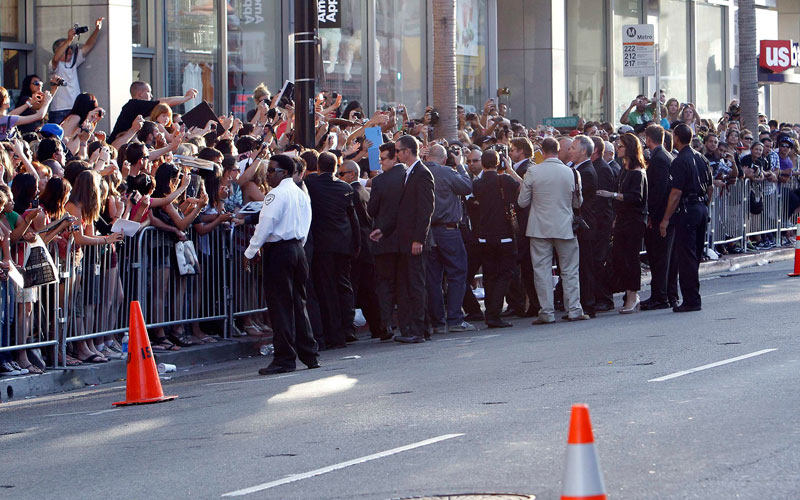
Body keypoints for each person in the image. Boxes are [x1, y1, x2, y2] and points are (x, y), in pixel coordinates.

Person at [244, 154, 320, 375]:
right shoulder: (299, 193)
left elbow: (265, 224)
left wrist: (250, 250)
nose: (267, 175)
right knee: (298, 303)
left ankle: (284, 358)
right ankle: (309, 354)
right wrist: (299, 244)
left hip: (280, 250)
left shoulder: (276, 194)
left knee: (280, 306)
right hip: (297, 248)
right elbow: (306, 222)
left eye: (271, 171)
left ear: (284, 173)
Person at [369, 135, 434, 343]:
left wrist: (419, 239)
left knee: (415, 284)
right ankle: (419, 329)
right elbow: (403, 211)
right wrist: (384, 230)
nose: (395, 155)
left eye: (397, 151)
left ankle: (419, 330)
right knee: (410, 284)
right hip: (405, 239)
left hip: (414, 241)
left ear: (407, 151)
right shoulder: (409, 173)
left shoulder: (421, 173)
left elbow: (425, 210)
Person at [517, 138, 588, 323]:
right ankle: (574, 309)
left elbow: (522, 202)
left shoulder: (532, 171)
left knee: (542, 271)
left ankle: (546, 312)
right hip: (565, 226)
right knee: (570, 270)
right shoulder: (571, 172)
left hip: (539, 227)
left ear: (541, 150)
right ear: (558, 150)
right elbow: (577, 202)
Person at [305, 152, 360, 349]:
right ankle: (348, 329)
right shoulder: (345, 188)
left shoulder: (311, 184)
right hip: (342, 244)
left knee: (327, 289)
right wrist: (356, 245)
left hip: (323, 246)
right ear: (336, 167)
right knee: (344, 287)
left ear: (319, 167)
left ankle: (335, 333)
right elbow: (352, 219)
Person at [659, 123, 712, 312]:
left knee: (687, 257)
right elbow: (710, 187)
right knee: (695, 255)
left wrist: (666, 218)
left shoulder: (680, 161)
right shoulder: (702, 158)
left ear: (676, 138)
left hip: (688, 210)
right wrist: (705, 206)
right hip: (700, 207)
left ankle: (691, 299)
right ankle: (692, 296)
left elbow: (675, 193)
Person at [423, 144, 475, 334]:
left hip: (428, 232)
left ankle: (438, 323)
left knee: (433, 278)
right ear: (445, 159)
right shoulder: (447, 171)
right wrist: (460, 165)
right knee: (457, 274)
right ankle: (454, 319)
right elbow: (467, 186)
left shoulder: (420, 171)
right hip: (448, 230)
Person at [597, 133, 648, 313]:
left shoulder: (637, 172)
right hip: (622, 220)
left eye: (621, 146)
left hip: (634, 220)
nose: (617, 148)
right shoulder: (624, 169)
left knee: (630, 258)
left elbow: (636, 197)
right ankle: (629, 292)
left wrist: (612, 195)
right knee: (619, 258)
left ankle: (632, 295)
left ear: (630, 148)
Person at [337, 160, 385, 340]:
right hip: (367, 247)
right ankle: (378, 326)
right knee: (368, 290)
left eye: (341, 174)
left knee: (354, 289)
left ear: (352, 174)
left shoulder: (353, 193)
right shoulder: (364, 192)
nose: (339, 177)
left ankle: (350, 329)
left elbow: (356, 223)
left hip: (358, 247)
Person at [471, 149, 519, 328]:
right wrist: (510, 170)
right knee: (504, 274)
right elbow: (522, 186)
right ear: (499, 163)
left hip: (484, 236)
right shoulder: (505, 180)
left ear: (482, 164)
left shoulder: (477, 184)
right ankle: (494, 313)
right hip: (504, 235)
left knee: (490, 275)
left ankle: (490, 314)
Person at [367, 142, 405, 341]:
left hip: (384, 239)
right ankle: (408, 324)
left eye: (383, 159)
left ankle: (387, 323)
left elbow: (371, 209)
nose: (380, 163)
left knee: (385, 284)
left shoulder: (381, 182)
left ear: (394, 157)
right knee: (405, 282)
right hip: (404, 239)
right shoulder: (408, 176)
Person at [641, 125, 675, 310]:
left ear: (648, 139)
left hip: (660, 215)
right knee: (660, 257)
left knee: (659, 257)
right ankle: (662, 294)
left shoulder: (660, 158)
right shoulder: (663, 156)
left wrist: (653, 216)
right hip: (662, 215)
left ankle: (660, 296)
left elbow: (659, 191)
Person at [48, 18, 104, 125]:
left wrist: (96, 29)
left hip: (75, 107)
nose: (69, 51)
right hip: (59, 109)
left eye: (70, 49)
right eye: (65, 49)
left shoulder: (73, 61)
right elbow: (56, 59)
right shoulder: (54, 65)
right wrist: (69, 40)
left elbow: (89, 45)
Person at [108, 81, 198, 145]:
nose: (151, 95)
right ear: (139, 94)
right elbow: (164, 102)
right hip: (116, 146)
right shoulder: (134, 104)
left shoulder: (136, 106)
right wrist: (186, 98)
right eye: (148, 92)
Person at [569, 135, 598, 317]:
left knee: (585, 266)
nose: (569, 150)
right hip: (577, 225)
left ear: (583, 151)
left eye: (573, 147)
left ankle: (588, 304)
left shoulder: (586, 171)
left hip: (585, 225)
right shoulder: (575, 168)